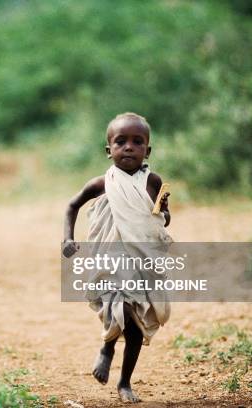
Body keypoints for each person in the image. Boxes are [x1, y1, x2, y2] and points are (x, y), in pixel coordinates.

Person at [62, 112, 171, 403]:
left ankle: (125, 382)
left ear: (147, 150)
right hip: (110, 264)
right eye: (120, 141)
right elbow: (72, 206)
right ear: (108, 149)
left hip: (142, 264)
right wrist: (68, 238)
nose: (129, 147)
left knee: (136, 328)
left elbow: (162, 215)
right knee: (118, 310)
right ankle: (108, 348)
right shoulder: (100, 184)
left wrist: (163, 217)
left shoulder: (154, 182)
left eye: (138, 142)